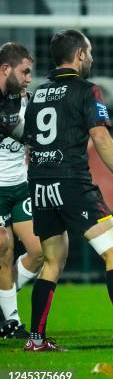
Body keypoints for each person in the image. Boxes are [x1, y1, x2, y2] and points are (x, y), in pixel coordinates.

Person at [22, 29, 113, 351]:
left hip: (40, 185)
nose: (93, 58)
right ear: (81, 55)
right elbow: (100, 137)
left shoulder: (38, 94)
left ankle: (36, 338)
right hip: (73, 184)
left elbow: (29, 142)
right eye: (91, 52)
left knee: (52, 261)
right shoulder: (88, 91)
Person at [0, 42, 42, 339]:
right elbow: (20, 132)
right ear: (5, 69)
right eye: (25, 72)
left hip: (20, 185)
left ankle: (3, 303)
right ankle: (11, 319)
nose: (29, 78)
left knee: (40, 251)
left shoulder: (26, 100)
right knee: (3, 246)